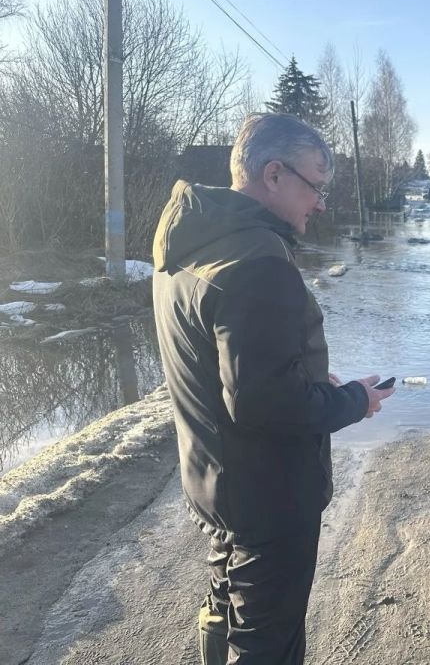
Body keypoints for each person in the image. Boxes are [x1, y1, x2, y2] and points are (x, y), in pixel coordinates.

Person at [152, 112, 394, 664]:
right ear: (275, 174)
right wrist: (355, 399)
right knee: (267, 645)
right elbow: (265, 403)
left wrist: (309, 378)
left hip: (218, 483)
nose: (322, 202)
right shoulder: (258, 262)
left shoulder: (193, 242)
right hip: (267, 498)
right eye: (317, 185)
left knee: (229, 616)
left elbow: (231, 373)